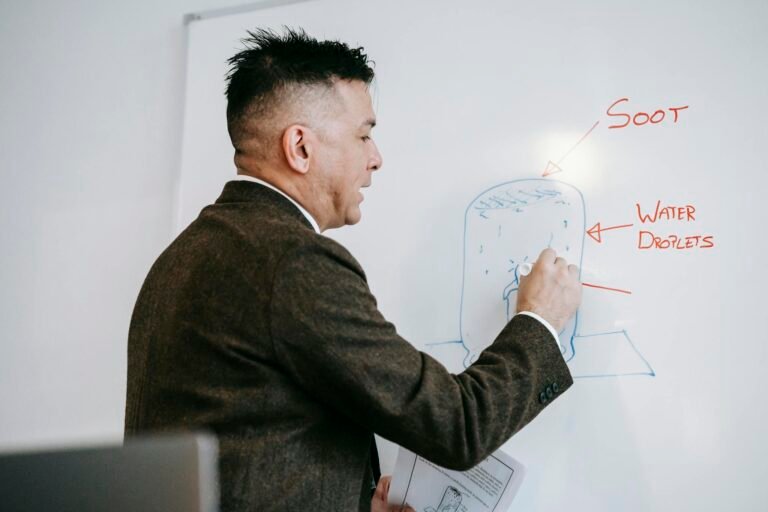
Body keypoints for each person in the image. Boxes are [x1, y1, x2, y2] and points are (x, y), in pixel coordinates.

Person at [124, 28, 582, 512]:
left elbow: (248, 454)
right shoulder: (293, 260)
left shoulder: (178, 259)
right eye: (364, 134)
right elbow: (457, 426)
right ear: (300, 148)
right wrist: (539, 321)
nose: (376, 158)